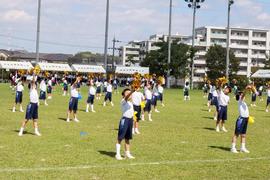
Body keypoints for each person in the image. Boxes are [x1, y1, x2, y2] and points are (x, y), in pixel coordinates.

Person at [115, 88, 135, 160]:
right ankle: (117, 154)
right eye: (127, 93)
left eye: (130, 93)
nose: (129, 94)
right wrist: (132, 91)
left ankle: (127, 153)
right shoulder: (123, 101)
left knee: (127, 138)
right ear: (124, 95)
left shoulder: (130, 103)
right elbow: (127, 97)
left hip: (130, 120)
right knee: (120, 137)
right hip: (125, 120)